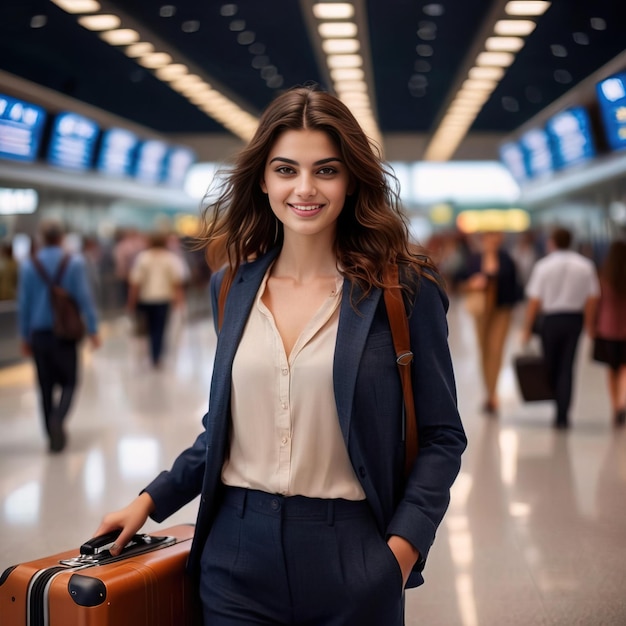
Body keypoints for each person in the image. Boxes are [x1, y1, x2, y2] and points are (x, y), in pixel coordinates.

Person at [95, 86, 466, 626]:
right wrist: (150, 501)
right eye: (287, 169)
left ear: (352, 179)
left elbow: (442, 436)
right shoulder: (230, 288)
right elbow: (222, 429)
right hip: (236, 554)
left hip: (354, 552)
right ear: (264, 179)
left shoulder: (401, 290)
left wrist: (399, 553)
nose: (305, 188)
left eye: (327, 170)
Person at [17, 220, 100, 452]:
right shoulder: (73, 262)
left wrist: (24, 336)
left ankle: (49, 432)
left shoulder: (28, 265)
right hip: (65, 333)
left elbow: (24, 304)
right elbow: (85, 298)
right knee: (70, 381)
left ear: (42, 238)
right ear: (62, 237)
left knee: (44, 385)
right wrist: (93, 329)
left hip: (39, 334)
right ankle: (58, 419)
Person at [522, 227, 600, 429]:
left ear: (552, 242)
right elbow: (592, 297)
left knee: (551, 363)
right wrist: (590, 324)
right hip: (574, 319)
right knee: (567, 365)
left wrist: (527, 328)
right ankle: (562, 414)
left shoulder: (543, 266)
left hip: (551, 320)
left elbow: (535, 300)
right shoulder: (585, 265)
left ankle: (557, 401)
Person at [457, 230, 522, 415]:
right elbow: (461, 279)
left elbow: (514, 285)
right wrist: (472, 283)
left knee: (496, 349)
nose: (491, 241)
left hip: (501, 310)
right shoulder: (474, 259)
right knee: (483, 349)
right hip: (481, 310)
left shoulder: (506, 259)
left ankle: (493, 393)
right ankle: (488, 391)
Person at [126, 231, 186, 368]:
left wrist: (131, 302)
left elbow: (135, 283)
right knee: (159, 328)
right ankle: (156, 355)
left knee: (146, 328)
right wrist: (179, 301)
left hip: (145, 299)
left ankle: (148, 353)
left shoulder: (143, 258)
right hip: (163, 299)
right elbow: (177, 282)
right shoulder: (170, 258)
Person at [590, 240, 626, 426]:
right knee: (624, 368)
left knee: (612, 369)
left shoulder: (605, 278)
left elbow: (597, 304)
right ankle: (623, 400)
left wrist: (592, 326)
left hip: (608, 329)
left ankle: (615, 405)